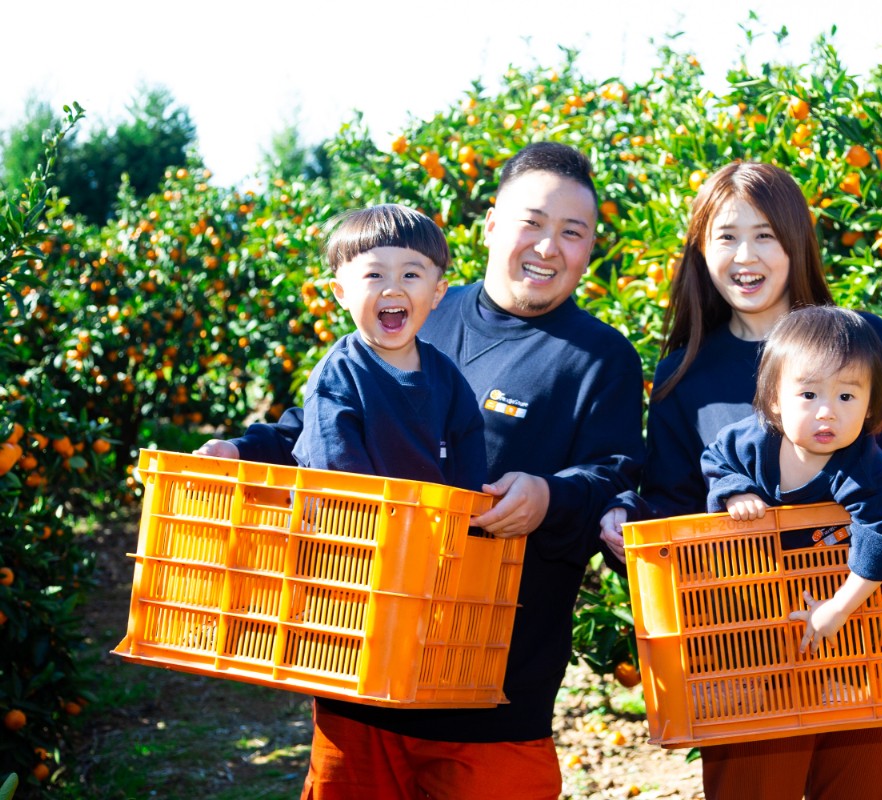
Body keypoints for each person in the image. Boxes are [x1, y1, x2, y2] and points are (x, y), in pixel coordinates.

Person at [197, 142, 645, 800]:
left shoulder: (601, 358)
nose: (548, 247)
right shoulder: (417, 308)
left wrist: (548, 495)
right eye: (532, 223)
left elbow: (615, 474)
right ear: (491, 225)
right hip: (363, 665)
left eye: (572, 232)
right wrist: (242, 450)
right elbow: (322, 419)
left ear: (590, 247)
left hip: (495, 691)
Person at [599, 161, 882, 800]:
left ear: (796, 243)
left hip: (877, 637)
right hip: (751, 650)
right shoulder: (685, 374)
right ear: (701, 250)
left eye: (765, 235)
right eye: (726, 236)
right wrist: (627, 520)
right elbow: (676, 504)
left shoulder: (863, 341)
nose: (745, 256)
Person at [701, 305, 882, 656]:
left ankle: (840, 679)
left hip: (836, 586)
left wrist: (840, 607)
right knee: (749, 643)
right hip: (758, 586)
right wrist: (734, 490)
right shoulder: (751, 442)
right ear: (775, 399)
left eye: (846, 396)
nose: (826, 412)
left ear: (869, 406)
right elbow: (716, 459)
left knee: (846, 645)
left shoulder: (866, 470)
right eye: (809, 395)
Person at [290, 202, 485, 491]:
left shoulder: (447, 378)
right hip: (354, 517)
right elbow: (338, 479)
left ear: (437, 292)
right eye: (374, 275)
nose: (393, 289)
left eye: (410, 275)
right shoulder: (339, 376)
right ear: (341, 293)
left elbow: (470, 464)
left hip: (430, 519)